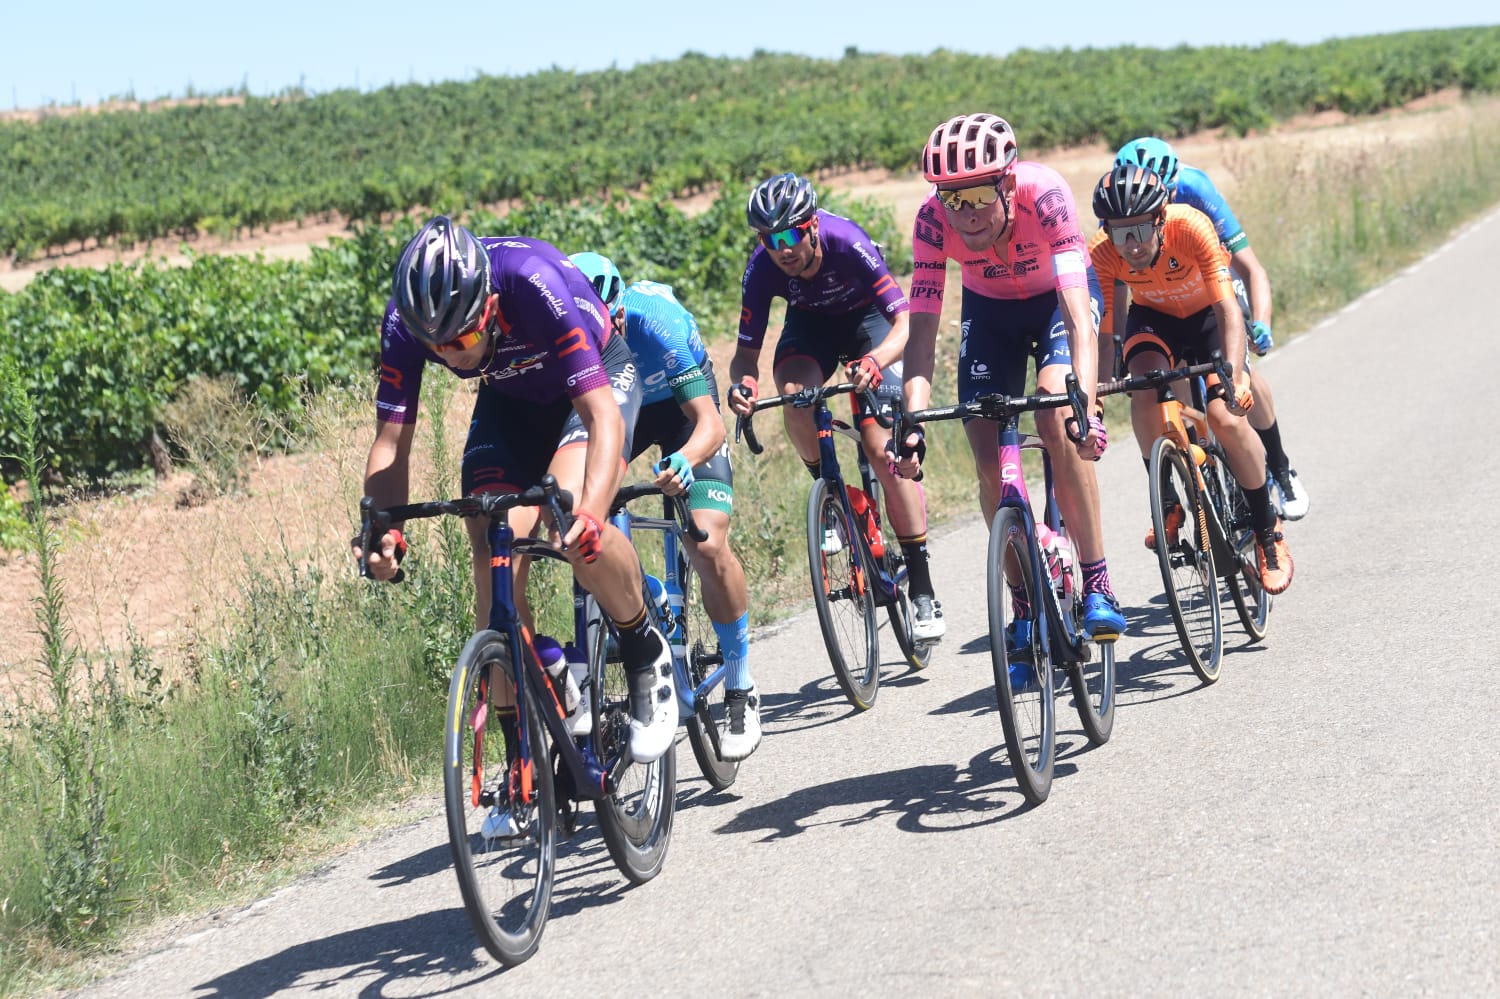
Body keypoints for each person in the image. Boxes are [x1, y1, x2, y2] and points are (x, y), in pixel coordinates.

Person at [353, 216, 677, 773]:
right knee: (490, 549)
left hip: (595, 382)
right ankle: (520, 757)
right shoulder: (410, 321)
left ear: (487, 303)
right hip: (511, 400)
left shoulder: (533, 279)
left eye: (463, 339)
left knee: (572, 527)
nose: (451, 356)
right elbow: (391, 441)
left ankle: (646, 647)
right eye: (437, 346)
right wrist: (383, 529)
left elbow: (601, 417)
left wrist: (593, 517)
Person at [898, 112, 1127, 641]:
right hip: (991, 311)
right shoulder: (932, 224)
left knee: (1054, 415)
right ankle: (1024, 602)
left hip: (1056, 301)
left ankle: (1098, 584)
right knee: (983, 445)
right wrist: (910, 421)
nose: (966, 213)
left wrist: (1085, 408)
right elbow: (923, 331)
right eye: (953, 198)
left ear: (1006, 183)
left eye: (978, 195)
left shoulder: (1044, 197)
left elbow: (1076, 318)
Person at [726, 171, 946, 644]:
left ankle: (923, 588)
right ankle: (831, 501)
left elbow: (906, 322)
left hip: (870, 324)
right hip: (813, 328)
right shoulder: (762, 268)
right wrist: (743, 384)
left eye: (788, 235)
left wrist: (876, 359)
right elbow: (746, 353)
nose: (781, 248)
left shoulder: (848, 242)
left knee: (882, 451)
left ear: (810, 226)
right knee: (794, 399)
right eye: (768, 239)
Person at [569, 251, 762, 761]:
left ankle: (740, 683)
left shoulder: (654, 323)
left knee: (707, 539)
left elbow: (710, 425)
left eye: (604, 325)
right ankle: (641, 591)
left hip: (681, 413)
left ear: (616, 311)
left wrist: (683, 461)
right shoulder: (571, 343)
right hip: (624, 413)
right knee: (590, 518)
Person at [1087, 164, 1293, 594]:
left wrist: (1235, 379)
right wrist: (1097, 399)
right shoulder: (1103, 253)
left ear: (1160, 218)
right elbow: (1106, 335)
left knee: (1225, 417)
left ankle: (1267, 531)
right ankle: (1166, 501)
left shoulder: (1191, 226)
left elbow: (1227, 310)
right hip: (1154, 319)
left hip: (1207, 318)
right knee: (1141, 389)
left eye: (1141, 230)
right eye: (1119, 233)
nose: (1132, 245)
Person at [1114, 137, 1309, 520]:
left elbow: (1251, 268)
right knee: (1179, 376)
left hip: (1213, 274)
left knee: (1242, 375)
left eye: (1163, 196)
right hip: (1165, 294)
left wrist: (1261, 322)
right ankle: (1208, 468)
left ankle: (1281, 469)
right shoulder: (1125, 204)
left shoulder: (1194, 188)